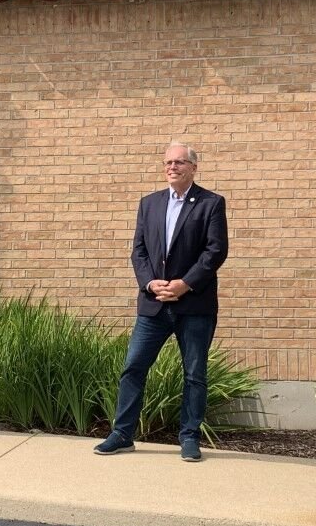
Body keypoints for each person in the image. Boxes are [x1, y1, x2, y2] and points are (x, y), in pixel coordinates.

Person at [94, 142, 228, 462]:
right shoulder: (149, 203)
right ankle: (122, 433)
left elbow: (215, 252)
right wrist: (149, 282)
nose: (172, 167)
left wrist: (185, 285)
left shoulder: (211, 203)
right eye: (168, 162)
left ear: (193, 167)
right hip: (154, 304)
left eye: (180, 162)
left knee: (194, 373)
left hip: (194, 306)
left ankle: (189, 437)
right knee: (133, 368)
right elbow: (139, 250)